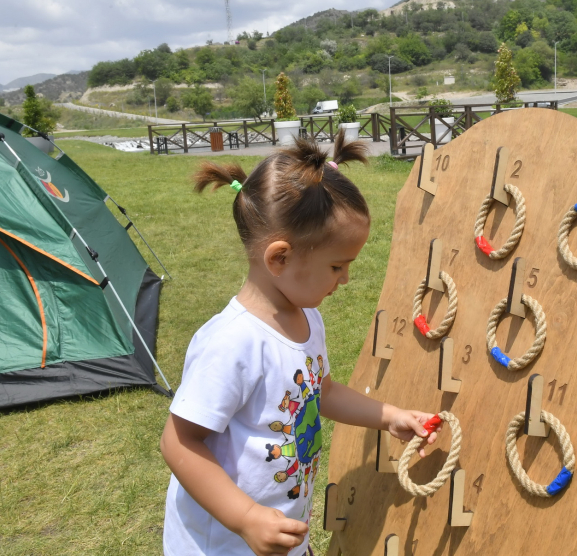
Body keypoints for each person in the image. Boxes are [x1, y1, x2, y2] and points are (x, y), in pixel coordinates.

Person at [161, 133, 440, 556]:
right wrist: (246, 518)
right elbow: (180, 442)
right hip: (226, 545)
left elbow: (321, 392)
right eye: (336, 266)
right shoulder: (232, 343)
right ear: (280, 259)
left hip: (282, 536)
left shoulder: (307, 317)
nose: (345, 279)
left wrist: (389, 417)